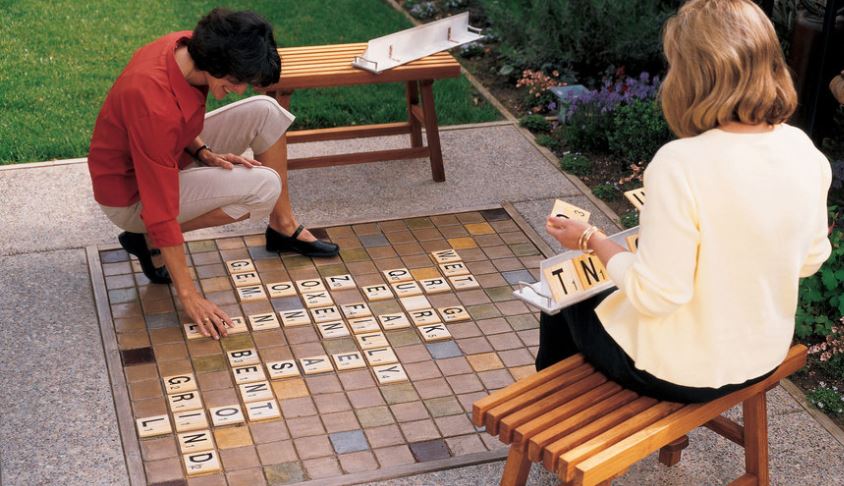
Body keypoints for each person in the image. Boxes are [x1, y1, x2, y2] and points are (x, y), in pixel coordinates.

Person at [540, 0, 832, 403]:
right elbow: (810, 261)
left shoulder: (679, 164)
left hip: (682, 373)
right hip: (763, 354)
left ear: (694, 75)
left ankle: (549, 423)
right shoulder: (803, 150)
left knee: (565, 297)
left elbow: (657, 296)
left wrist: (592, 239)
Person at [88, 8, 338, 340]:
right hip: (130, 197)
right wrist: (189, 296)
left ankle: (282, 227)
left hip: (167, 152)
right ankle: (146, 238)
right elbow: (160, 207)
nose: (238, 90)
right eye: (235, 81)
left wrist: (202, 151)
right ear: (216, 63)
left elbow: (178, 119)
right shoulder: (152, 101)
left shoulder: (186, 49)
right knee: (264, 187)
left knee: (267, 111)